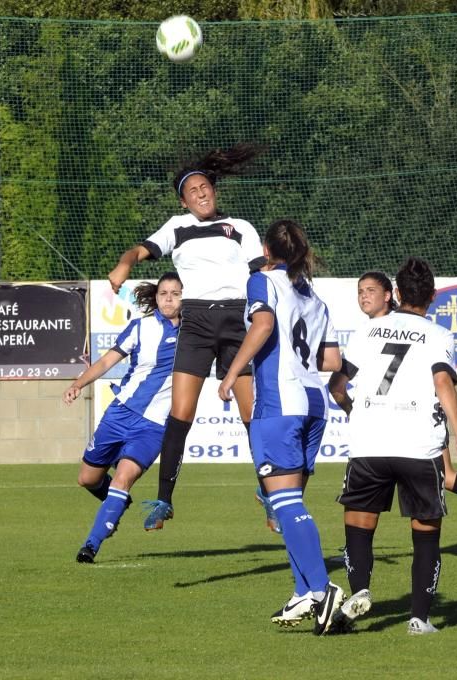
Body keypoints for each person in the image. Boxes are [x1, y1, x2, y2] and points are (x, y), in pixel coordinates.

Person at [107, 143, 265, 531]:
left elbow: (261, 273)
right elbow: (138, 250)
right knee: (180, 414)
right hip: (194, 323)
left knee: (252, 417)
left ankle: (271, 498)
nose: (202, 193)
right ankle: (164, 500)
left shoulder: (240, 227)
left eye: (205, 187)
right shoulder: (176, 229)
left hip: (235, 322)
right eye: (193, 191)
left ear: (215, 191)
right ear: (184, 200)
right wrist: (124, 264)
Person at [328, 271, 457, 547]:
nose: (364, 296)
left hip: (418, 419)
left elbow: (438, 380)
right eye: (360, 291)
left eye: (371, 290)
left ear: (391, 295)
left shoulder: (391, 330)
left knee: (444, 476)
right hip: (391, 423)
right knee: (446, 477)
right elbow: (337, 388)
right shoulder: (371, 332)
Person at [330, 257, 457, 635]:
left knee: (359, 524)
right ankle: (419, 619)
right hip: (417, 446)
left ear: (395, 294)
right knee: (425, 531)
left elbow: (337, 387)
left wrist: (355, 412)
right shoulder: (439, 335)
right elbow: (443, 383)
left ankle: (359, 588)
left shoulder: (369, 331)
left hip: (368, 443)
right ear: (433, 296)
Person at [218, 219, 348, 634]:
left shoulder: (263, 281)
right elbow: (331, 361)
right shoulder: (313, 295)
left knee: (286, 504)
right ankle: (303, 592)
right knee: (287, 504)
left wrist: (231, 372)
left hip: (280, 402)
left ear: (267, 250)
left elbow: (263, 325)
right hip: (314, 404)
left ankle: (324, 589)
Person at [68, 273, 183, 563]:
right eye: (163, 293)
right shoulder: (141, 327)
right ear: (155, 298)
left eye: (175, 293)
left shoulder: (195, 335)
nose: (169, 298)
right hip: (119, 415)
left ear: (185, 298)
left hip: (154, 426)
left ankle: (90, 546)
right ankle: (117, 504)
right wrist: (78, 384)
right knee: (87, 478)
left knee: (123, 478)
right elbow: (108, 360)